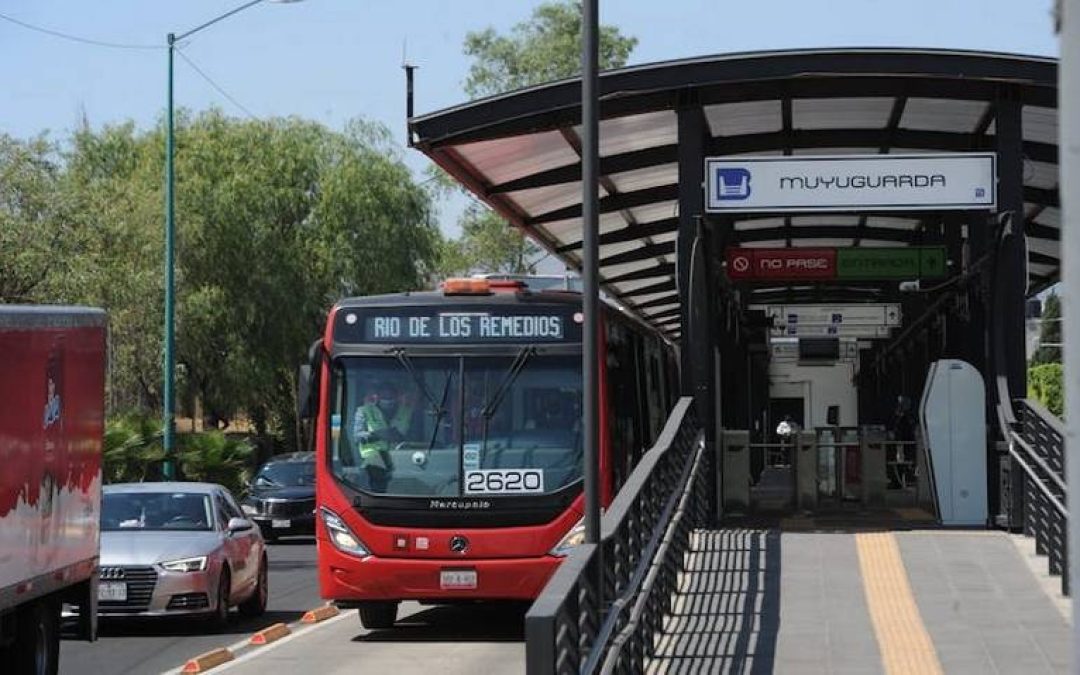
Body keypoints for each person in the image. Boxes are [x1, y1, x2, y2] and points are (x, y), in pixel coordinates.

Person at [352, 380, 414, 492]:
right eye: (384, 396)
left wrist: (398, 437)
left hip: (403, 460)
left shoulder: (406, 412)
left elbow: (416, 437)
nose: (388, 399)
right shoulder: (364, 411)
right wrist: (376, 435)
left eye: (391, 396)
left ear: (396, 396)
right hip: (373, 462)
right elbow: (357, 436)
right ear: (378, 396)